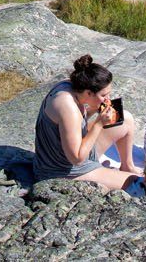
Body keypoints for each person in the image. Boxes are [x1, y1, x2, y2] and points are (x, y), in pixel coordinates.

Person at [33, 55, 138, 189]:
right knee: (137, 182)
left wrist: (94, 110)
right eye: (104, 95)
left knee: (124, 118)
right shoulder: (68, 107)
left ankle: (127, 166)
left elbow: (73, 125)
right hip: (62, 170)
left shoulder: (70, 85)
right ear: (89, 93)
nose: (107, 99)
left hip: (74, 150)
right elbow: (77, 159)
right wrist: (99, 124)